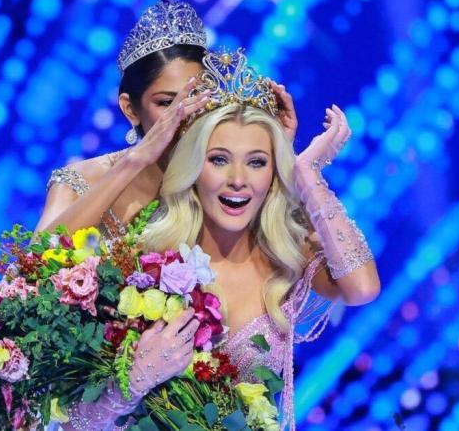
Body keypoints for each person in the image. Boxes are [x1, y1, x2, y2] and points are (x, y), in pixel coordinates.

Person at [63, 49, 380, 430]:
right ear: (193, 168)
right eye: (218, 159)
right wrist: (133, 381)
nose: (238, 179)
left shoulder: (288, 261)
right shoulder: (142, 262)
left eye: (257, 162)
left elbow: (362, 288)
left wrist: (307, 174)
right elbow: (72, 422)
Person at [35, 0, 297, 243]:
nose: (183, 113)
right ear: (130, 109)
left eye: (196, 97)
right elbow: (34, 265)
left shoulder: (217, 182)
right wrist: (134, 162)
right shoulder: (82, 179)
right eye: (167, 102)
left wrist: (281, 158)